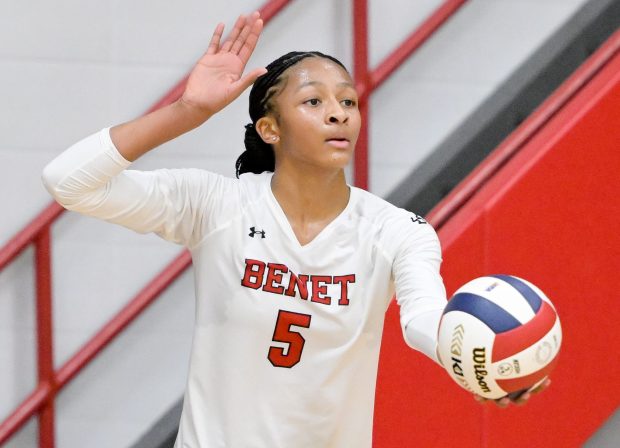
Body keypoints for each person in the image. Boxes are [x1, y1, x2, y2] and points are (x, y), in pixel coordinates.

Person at [42, 11, 547, 447]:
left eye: (348, 102)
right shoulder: (216, 204)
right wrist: (186, 112)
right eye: (314, 102)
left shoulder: (396, 230)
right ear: (270, 128)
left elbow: (422, 320)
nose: (337, 113)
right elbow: (69, 181)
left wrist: (474, 358)